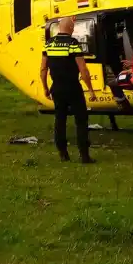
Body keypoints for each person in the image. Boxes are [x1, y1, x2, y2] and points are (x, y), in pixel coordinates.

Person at [40, 17, 97, 163]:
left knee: (60, 119)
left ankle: (63, 153)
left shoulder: (48, 44)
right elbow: (83, 69)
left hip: (57, 87)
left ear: (59, 27)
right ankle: (84, 155)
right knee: (81, 120)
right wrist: (91, 90)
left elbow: (43, 69)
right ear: (71, 28)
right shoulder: (73, 43)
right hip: (72, 86)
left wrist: (45, 88)